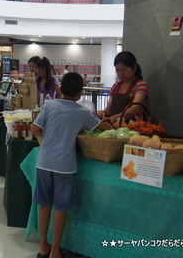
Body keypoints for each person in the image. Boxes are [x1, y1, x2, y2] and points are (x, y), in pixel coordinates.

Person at [30, 73, 110, 258]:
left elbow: (34, 129)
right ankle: (55, 252)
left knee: (44, 205)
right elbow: (103, 128)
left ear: (62, 88)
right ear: (81, 93)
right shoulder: (82, 112)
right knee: (61, 209)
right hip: (65, 166)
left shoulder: (49, 105)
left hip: (44, 163)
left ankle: (43, 247)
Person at [97, 51, 148, 123]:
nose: (120, 73)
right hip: (115, 126)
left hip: (133, 128)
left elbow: (135, 109)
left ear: (134, 68)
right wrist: (103, 113)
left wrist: (114, 117)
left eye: (124, 70)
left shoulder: (140, 85)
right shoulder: (116, 86)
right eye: (117, 70)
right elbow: (109, 109)